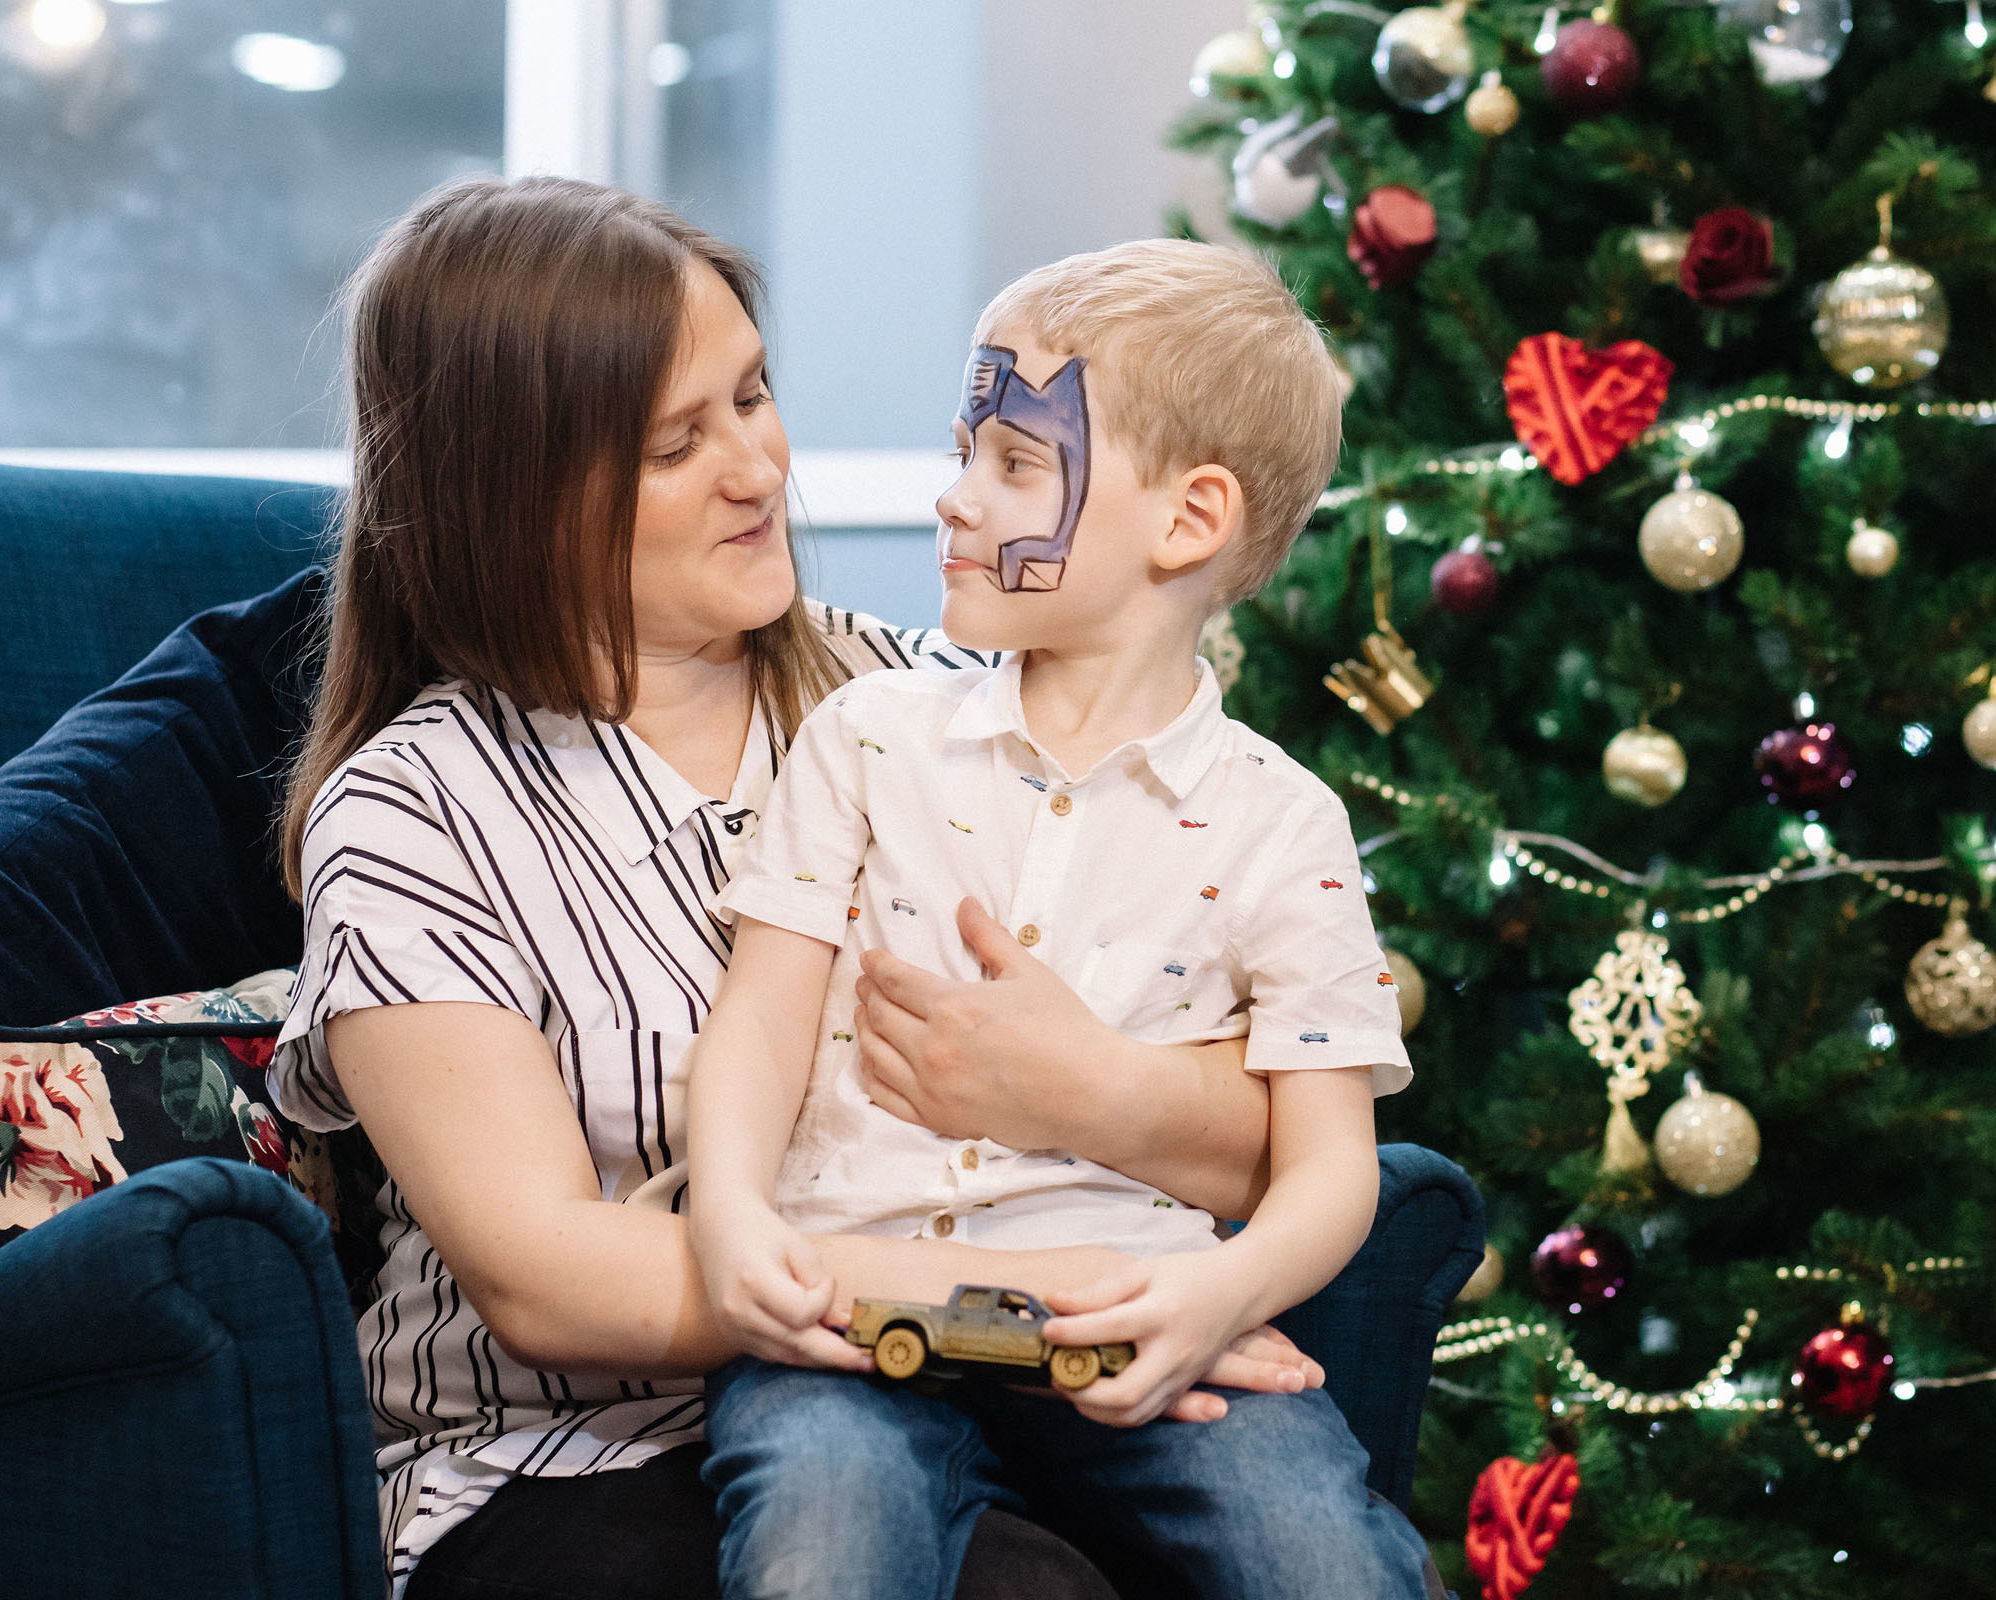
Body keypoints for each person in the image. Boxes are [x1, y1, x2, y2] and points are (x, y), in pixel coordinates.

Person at [268, 177, 1317, 1600]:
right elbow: (547, 1279)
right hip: (562, 1459)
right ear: (508, 495)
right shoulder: (411, 812)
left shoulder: (934, 704)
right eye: (675, 444)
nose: (759, 469)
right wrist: (1019, 1311)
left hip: (960, 1415)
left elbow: (1281, 1141)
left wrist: (1089, 1101)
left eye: (753, 396)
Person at [687, 240, 1431, 1600]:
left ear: (1188, 521)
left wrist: (1222, 1294)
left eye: (1014, 465)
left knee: (1330, 1566)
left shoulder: (1286, 826)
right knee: (819, 1550)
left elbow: (1333, 1168)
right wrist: (731, 1216)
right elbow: (760, 1021)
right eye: (964, 450)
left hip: (1140, 1331)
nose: (956, 498)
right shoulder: (865, 739)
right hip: (858, 1327)